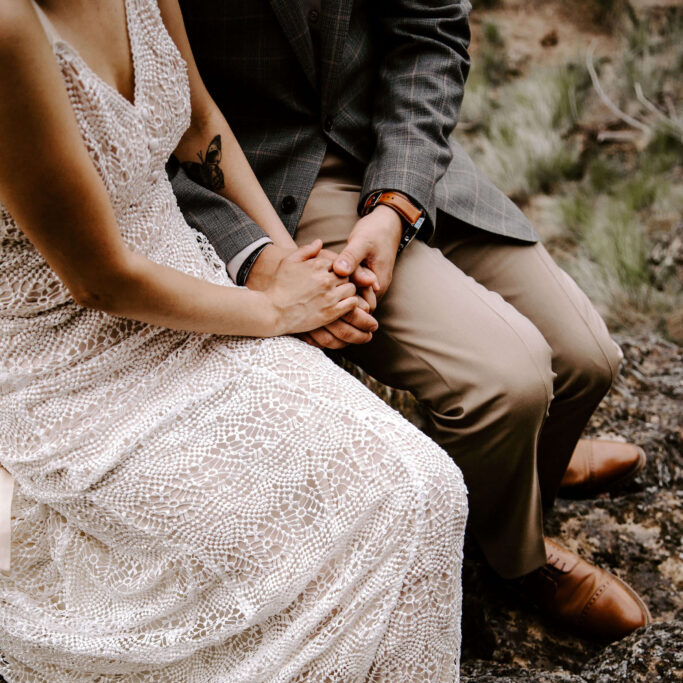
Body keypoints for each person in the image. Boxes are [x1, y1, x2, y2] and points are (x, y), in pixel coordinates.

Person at [0, 0, 471, 683]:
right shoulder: (5, 30)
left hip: (197, 297)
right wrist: (273, 309)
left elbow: (202, 129)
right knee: (304, 543)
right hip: (73, 375)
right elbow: (95, 276)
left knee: (425, 487)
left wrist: (288, 259)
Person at [172, 0, 652, 644]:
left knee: (589, 359)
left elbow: (430, 33)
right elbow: (134, 131)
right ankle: (516, 560)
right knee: (507, 381)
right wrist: (254, 255)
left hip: (408, 157)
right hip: (272, 189)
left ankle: (522, 464)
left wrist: (397, 200)